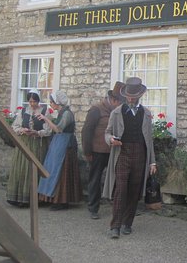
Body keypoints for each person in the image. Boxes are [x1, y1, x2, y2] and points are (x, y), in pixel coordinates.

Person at [102, 77, 157, 239]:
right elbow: (107, 132)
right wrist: (111, 139)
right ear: (125, 96)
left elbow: (149, 139)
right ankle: (115, 226)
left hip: (140, 154)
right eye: (129, 96)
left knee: (134, 191)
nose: (131, 98)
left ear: (140, 95)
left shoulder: (146, 114)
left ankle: (128, 223)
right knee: (120, 189)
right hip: (122, 153)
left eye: (134, 96)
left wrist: (152, 161)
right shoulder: (116, 113)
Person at [81, 81, 124, 219]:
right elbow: (86, 131)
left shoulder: (118, 111)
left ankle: (116, 206)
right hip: (97, 151)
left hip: (114, 151)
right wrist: (87, 152)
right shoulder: (96, 109)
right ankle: (93, 207)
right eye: (120, 102)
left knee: (117, 179)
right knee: (95, 179)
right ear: (113, 100)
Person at [6, 90, 52, 207]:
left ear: (38, 101)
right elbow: (15, 126)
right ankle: (20, 197)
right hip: (25, 143)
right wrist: (22, 130)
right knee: (22, 168)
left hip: (38, 144)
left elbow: (48, 130)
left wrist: (37, 132)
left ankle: (35, 198)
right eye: (30, 101)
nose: (32, 104)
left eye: (34, 101)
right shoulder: (23, 111)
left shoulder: (44, 111)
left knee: (34, 169)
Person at [37, 90, 83, 210]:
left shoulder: (67, 113)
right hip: (59, 143)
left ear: (57, 102)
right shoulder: (62, 112)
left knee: (62, 171)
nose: (51, 104)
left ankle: (61, 200)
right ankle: (54, 198)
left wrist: (46, 119)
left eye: (52, 102)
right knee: (53, 169)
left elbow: (58, 129)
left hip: (65, 145)